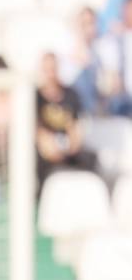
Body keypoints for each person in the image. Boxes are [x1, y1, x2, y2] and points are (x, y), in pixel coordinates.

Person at [36, 51, 98, 190]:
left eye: (53, 69)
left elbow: (75, 126)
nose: (50, 74)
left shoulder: (71, 94)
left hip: (68, 147)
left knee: (90, 159)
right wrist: (49, 146)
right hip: (46, 150)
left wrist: (72, 146)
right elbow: (38, 131)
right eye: (47, 70)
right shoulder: (36, 97)